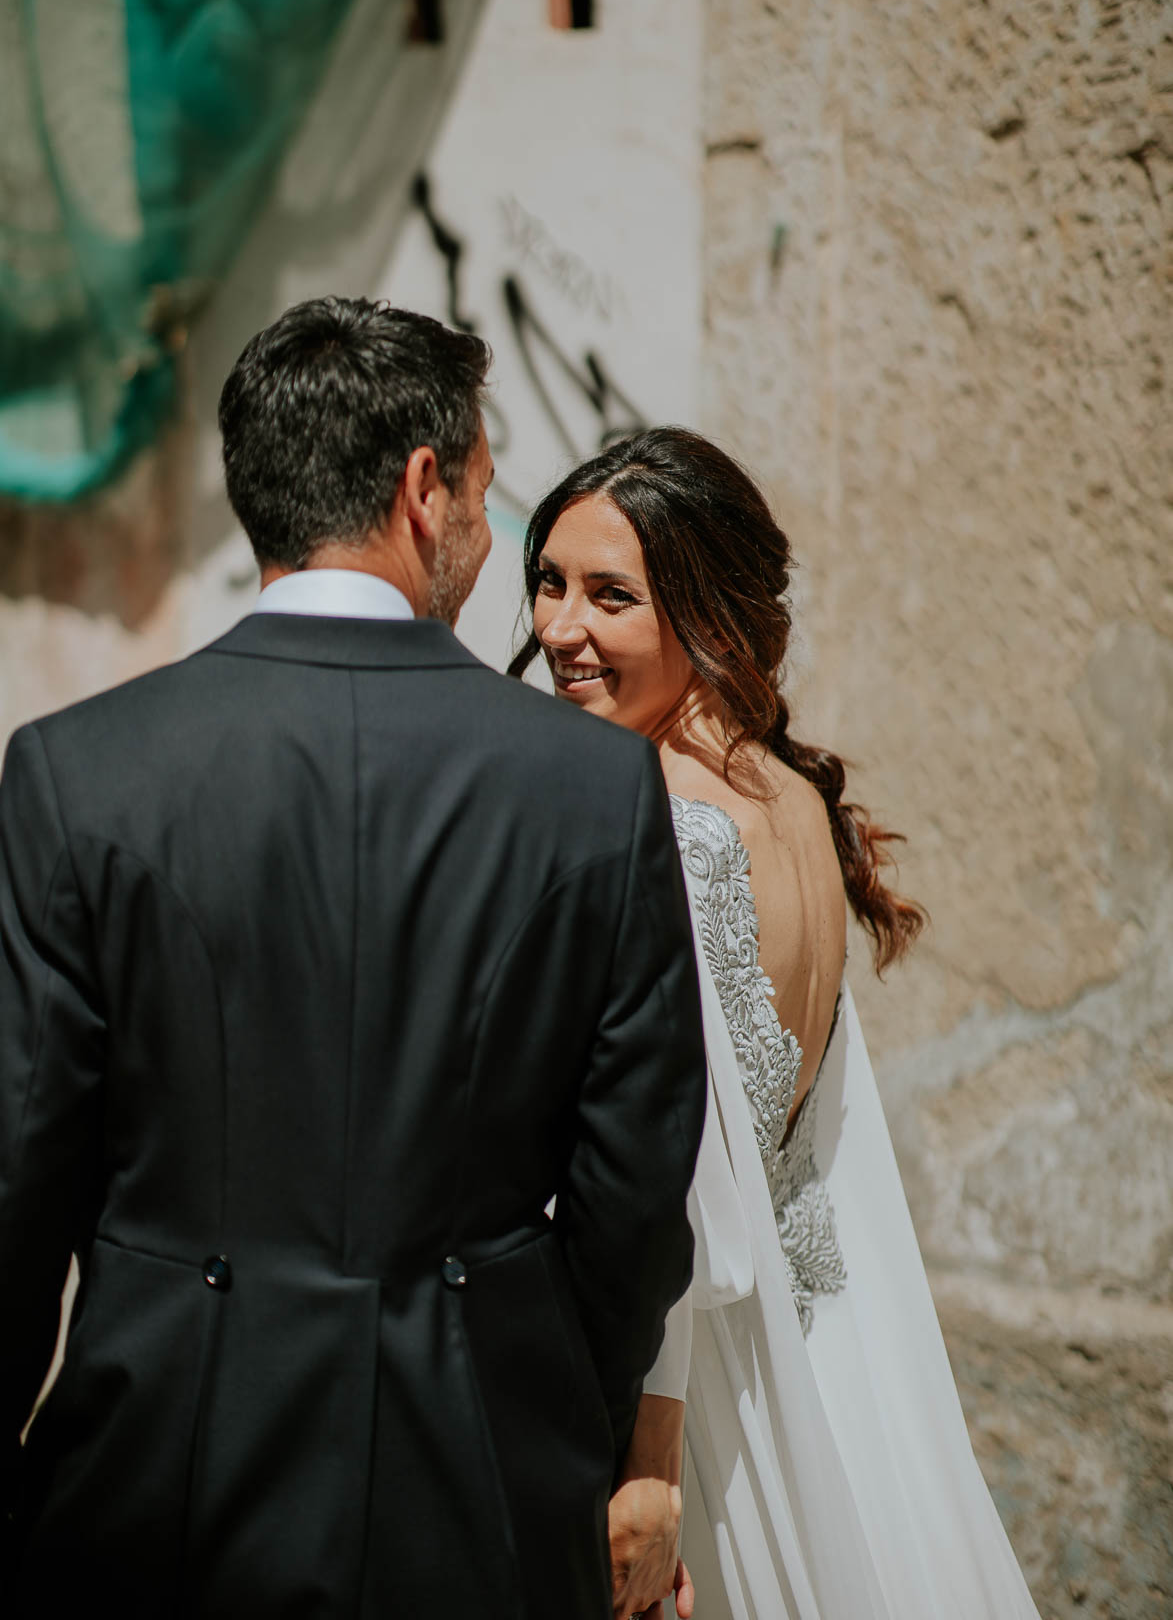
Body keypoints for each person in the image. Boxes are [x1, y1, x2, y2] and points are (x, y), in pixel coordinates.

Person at [0, 300, 708, 1619]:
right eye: (485, 498)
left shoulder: (78, 773)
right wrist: (553, 1431)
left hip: (148, 1493)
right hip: (473, 1494)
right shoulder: (595, 788)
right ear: (422, 489)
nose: (487, 545)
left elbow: (18, 1174)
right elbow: (631, 1206)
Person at [511, 427, 1043, 1620]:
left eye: (611, 595)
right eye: (548, 581)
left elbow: (680, 1169)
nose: (558, 628)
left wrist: (647, 1461)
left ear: (707, 615)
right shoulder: (788, 792)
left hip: (685, 1394)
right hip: (809, 1363)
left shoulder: (656, 812)